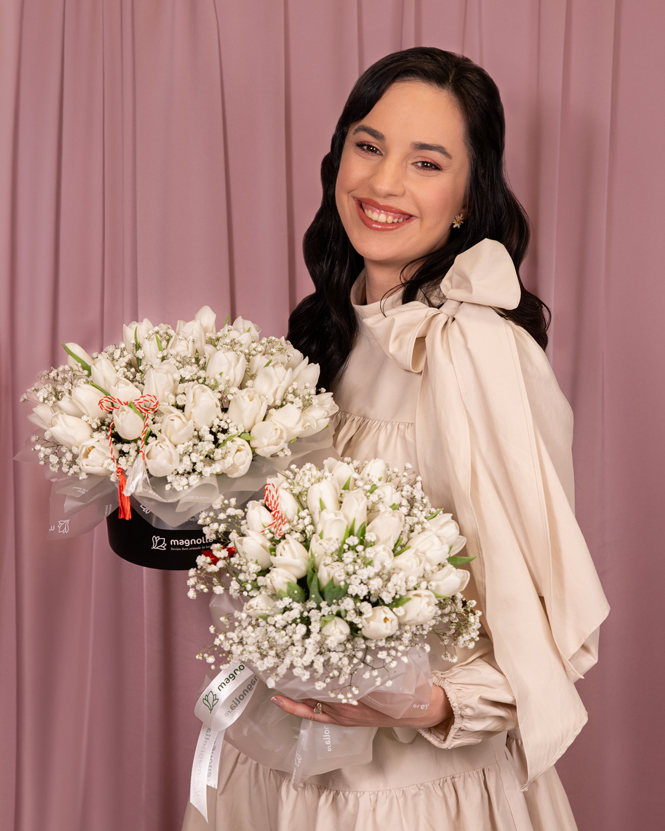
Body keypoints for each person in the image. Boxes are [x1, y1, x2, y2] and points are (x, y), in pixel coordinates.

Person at [182, 47, 609, 831]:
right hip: (275, 768)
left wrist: (431, 699)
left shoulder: (473, 347)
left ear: (463, 203)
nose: (382, 184)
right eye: (368, 146)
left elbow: (539, 618)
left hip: (403, 796)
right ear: (337, 155)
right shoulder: (327, 336)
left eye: (425, 162)